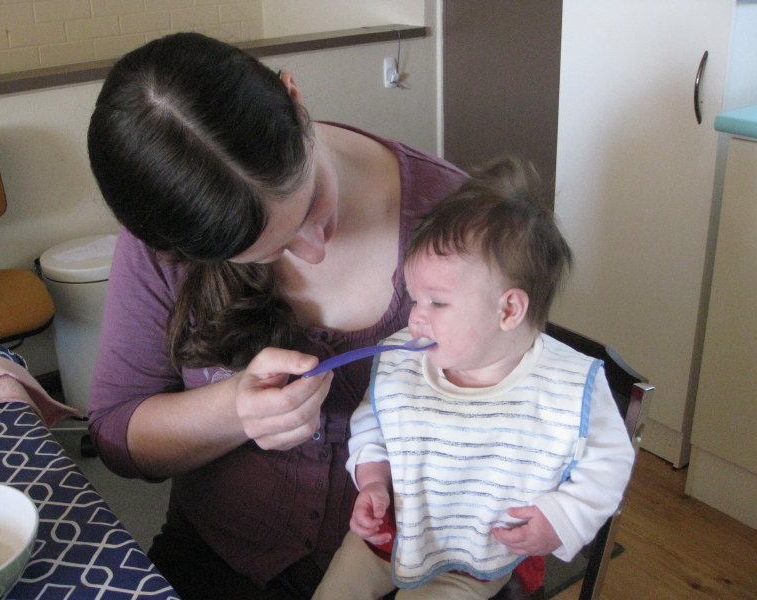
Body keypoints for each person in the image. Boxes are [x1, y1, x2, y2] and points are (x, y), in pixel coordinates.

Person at [85, 32, 467, 600]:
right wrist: (232, 412)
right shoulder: (169, 236)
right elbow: (117, 434)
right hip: (216, 562)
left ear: (293, 96)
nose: (314, 251)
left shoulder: (460, 223)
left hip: (416, 569)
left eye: (313, 200)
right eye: (269, 250)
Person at [312, 157, 636, 600]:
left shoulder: (568, 387)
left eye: (437, 303)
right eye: (413, 298)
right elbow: (375, 423)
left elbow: (610, 464)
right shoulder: (403, 361)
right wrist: (371, 479)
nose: (415, 317)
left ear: (508, 310)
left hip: (479, 556)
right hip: (386, 535)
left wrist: (561, 518)